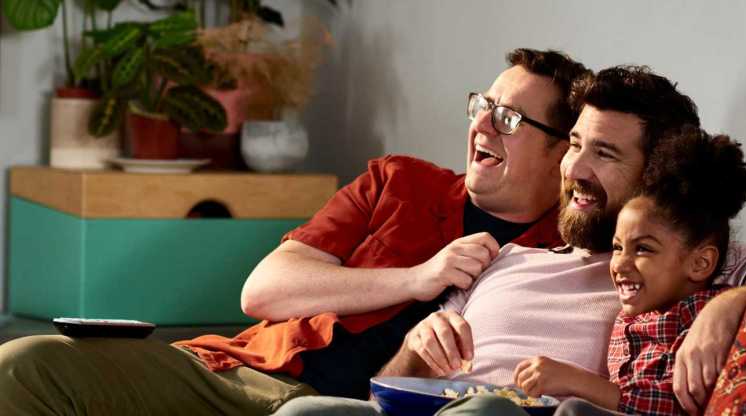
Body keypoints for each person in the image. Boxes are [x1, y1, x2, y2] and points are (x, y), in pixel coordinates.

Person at [0, 49, 590, 415]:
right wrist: (416, 277)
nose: (482, 123)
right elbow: (265, 290)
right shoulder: (401, 182)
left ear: (562, 151)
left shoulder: (573, 252)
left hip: (347, 407)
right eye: (481, 105)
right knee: (25, 364)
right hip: (248, 372)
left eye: (508, 118)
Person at [273, 66, 746, 416]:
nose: (575, 169)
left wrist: (729, 306)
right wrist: (413, 349)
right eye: (575, 145)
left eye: (604, 153)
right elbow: (390, 390)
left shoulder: (666, 265)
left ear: (654, 176)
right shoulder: (505, 257)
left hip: (502, 410)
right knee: (302, 409)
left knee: (487, 409)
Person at [481, 127, 746, 416]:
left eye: (643, 249)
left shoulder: (704, 321)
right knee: (491, 408)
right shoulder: (630, 318)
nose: (620, 265)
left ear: (700, 263)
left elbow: (674, 406)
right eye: (617, 248)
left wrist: (576, 381)